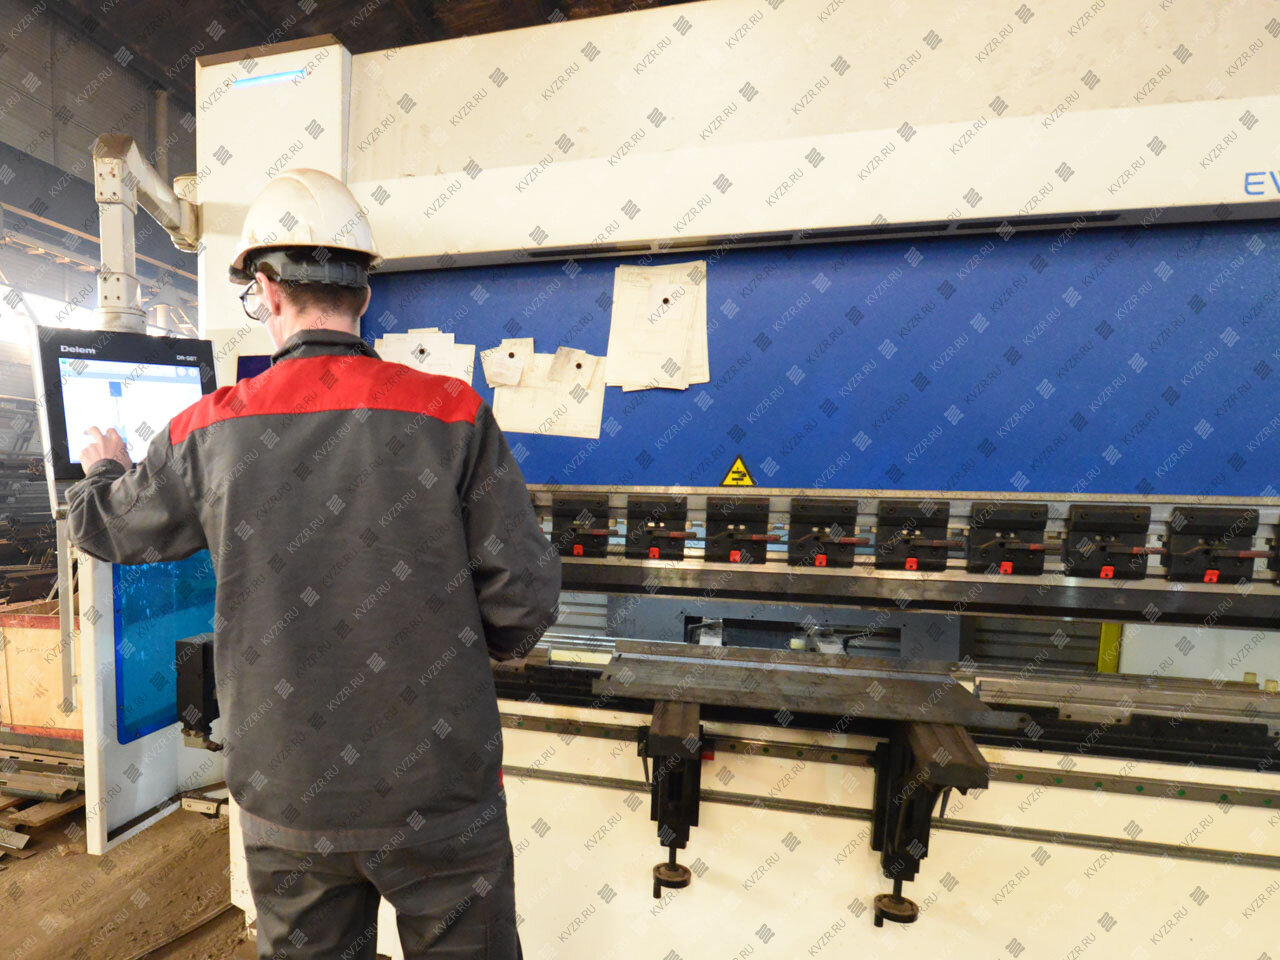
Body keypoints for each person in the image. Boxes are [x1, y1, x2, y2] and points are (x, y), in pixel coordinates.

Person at [67, 168, 560, 959]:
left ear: (266, 291)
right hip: (440, 790)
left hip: (290, 796)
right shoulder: (455, 412)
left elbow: (108, 529)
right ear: (363, 292)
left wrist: (102, 468)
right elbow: (523, 600)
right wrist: (471, 653)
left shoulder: (207, 429)